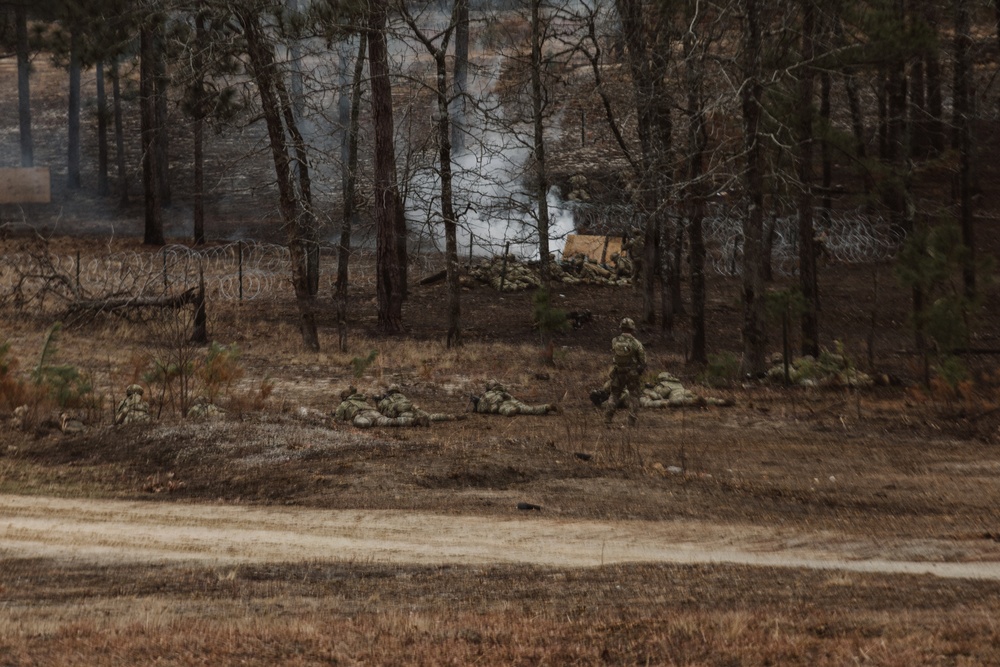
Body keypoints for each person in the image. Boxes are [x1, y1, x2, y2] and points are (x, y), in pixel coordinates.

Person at [605, 317, 646, 426]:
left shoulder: (614, 340)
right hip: (632, 373)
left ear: (621, 328)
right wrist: (638, 371)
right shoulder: (636, 343)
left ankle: (608, 419)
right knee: (634, 396)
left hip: (618, 372)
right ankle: (631, 421)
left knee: (614, 395)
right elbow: (642, 361)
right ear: (632, 329)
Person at [334, 387, 424, 428]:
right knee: (391, 422)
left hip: (362, 416)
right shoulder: (362, 401)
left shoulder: (343, 404)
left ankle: (368, 424)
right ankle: (414, 421)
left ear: (344, 398)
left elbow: (338, 420)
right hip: (375, 413)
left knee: (362, 424)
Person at [376, 384, 465, 424]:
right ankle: (451, 417)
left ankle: (420, 420)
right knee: (431, 416)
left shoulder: (387, 399)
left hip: (402, 412)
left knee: (413, 419)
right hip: (414, 408)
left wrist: (377, 401)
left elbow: (380, 410)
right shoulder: (402, 396)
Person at [473, 380, 556, 417]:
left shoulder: (487, 394)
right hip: (510, 399)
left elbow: (483, 408)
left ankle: (511, 410)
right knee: (529, 409)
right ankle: (546, 407)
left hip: (500, 403)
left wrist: (476, 405)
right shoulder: (501, 390)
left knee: (504, 409)